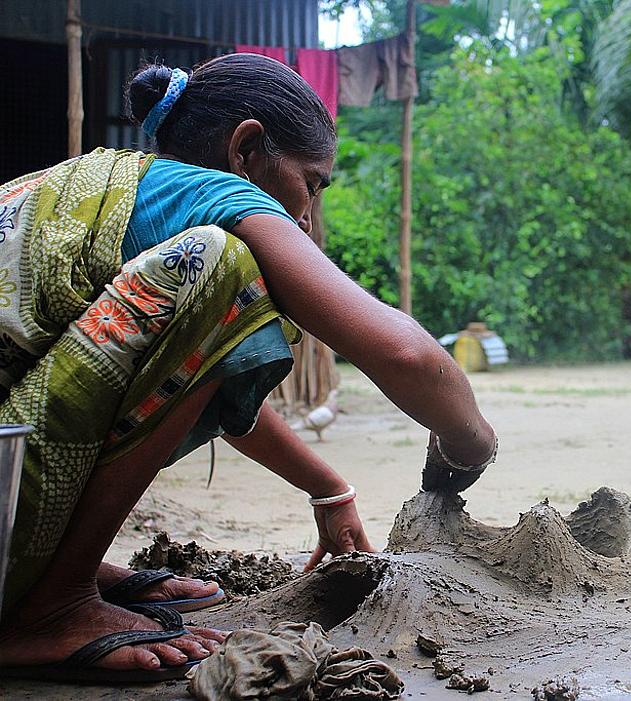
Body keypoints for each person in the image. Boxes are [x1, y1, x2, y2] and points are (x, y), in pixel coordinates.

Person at [0, 54, 497, 682]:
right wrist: (470, 442)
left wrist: (328, 488)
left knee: (226, 291)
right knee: (229, 272)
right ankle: (49, 605)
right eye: (312, 184)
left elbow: (190, 383)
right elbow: (405, 356)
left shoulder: (105, 189)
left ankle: (47, 569)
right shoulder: (214, 197)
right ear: (248, 149)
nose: (309, 215)